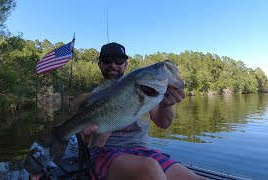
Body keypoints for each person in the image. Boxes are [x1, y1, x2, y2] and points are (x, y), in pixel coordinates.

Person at [77, 42, 206, 180]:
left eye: (119, 60)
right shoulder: (92, 100)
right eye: (107, 61)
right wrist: (89, 139)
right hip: (106, 155)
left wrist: (165, 106)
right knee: (150, 168)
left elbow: (164, 124)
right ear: (100, 65)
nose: (113, 65)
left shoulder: (145, 89)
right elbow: (87, 139)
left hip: (144, 152)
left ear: (125, 65)